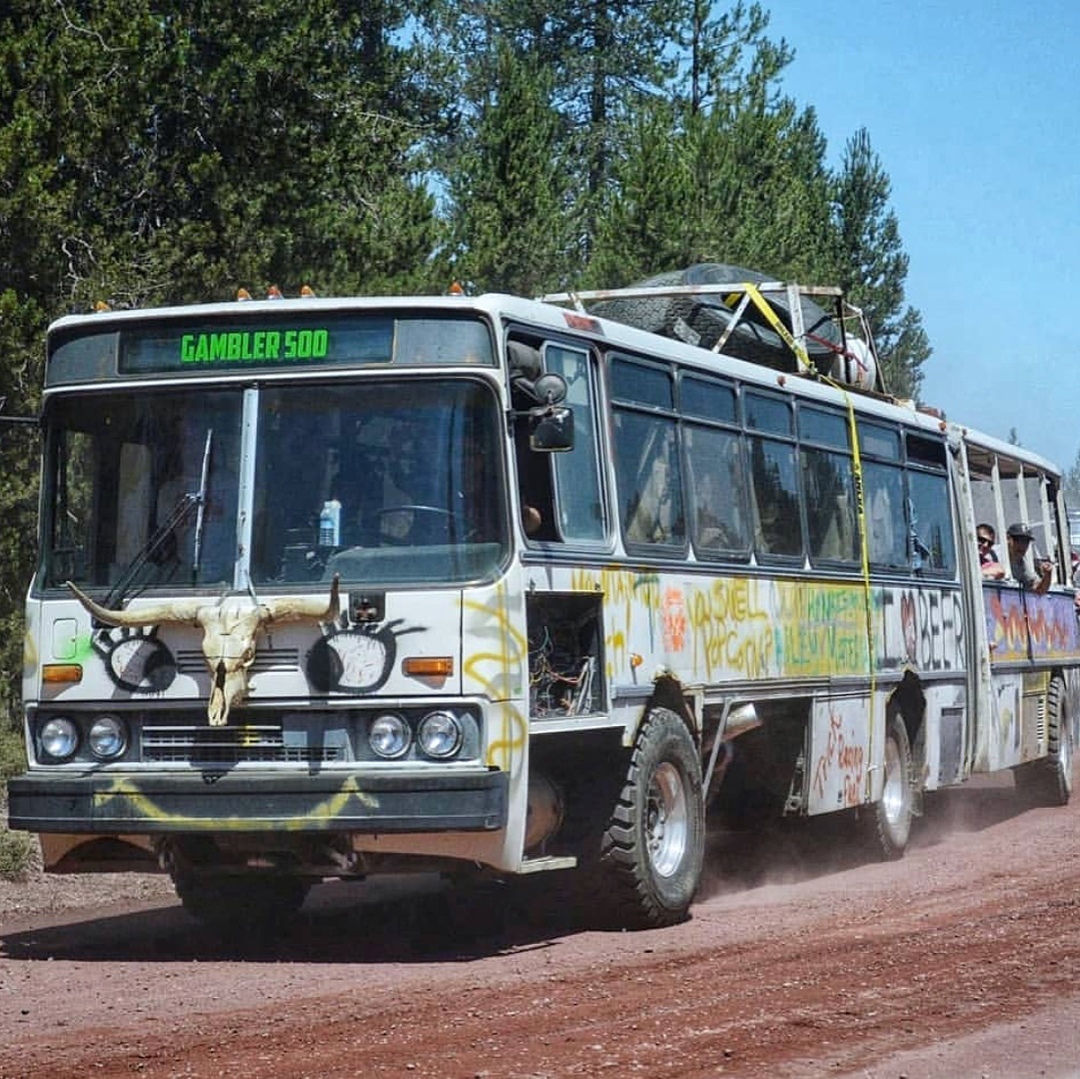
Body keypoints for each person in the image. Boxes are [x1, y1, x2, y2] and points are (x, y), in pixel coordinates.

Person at [1006, 522, 1053, 594]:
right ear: (1008, 539)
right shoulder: (996, 555)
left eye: (1026, 542)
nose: (1022, 545)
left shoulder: (1022, 562)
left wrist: (1047, 574)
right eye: (1018, 540)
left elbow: (1039, 589)